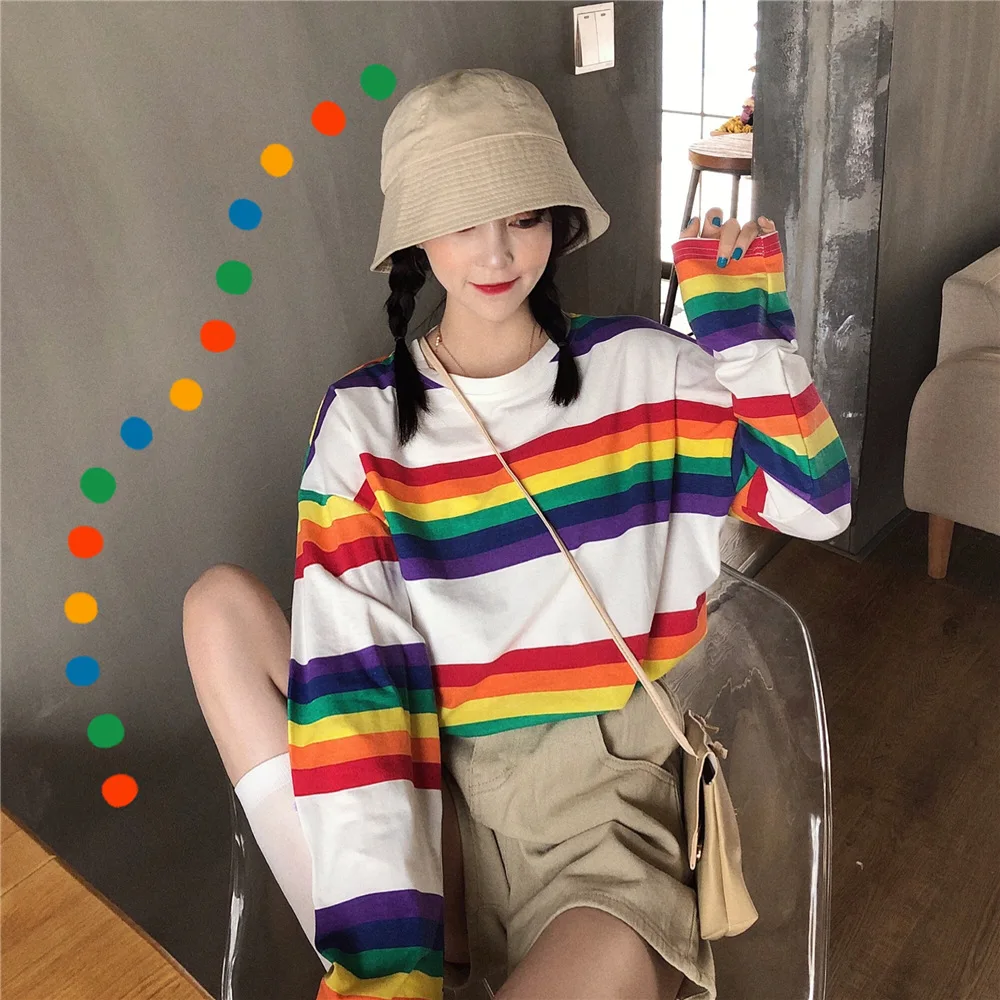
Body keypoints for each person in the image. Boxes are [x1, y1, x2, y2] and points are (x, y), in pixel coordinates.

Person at [183, 68, 852, 1000]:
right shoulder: (364, 424)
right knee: (217, 610)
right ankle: (389, 965)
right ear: (416, 234)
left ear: (557, 223)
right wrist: (388, 962)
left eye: (524, 217)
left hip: (601, 818)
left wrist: (747, 334)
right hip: (438, 801)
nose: (497, 252)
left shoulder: (645, 373)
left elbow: (815, 501)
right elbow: (354, 688)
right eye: (462, 220)